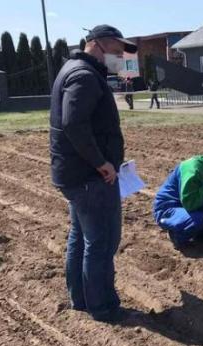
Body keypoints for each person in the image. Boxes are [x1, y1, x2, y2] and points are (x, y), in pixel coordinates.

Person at [49, 24, 137, 322]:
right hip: (90, 178)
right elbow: (74, 124)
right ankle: (103, 307)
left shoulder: (74, 70)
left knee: (81, 237)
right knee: (101, 242)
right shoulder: (84, 76)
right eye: (116, 50)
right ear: (98, 44)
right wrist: (103, 163)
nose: (119, 57)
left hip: (77, 175)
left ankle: (81, 299)